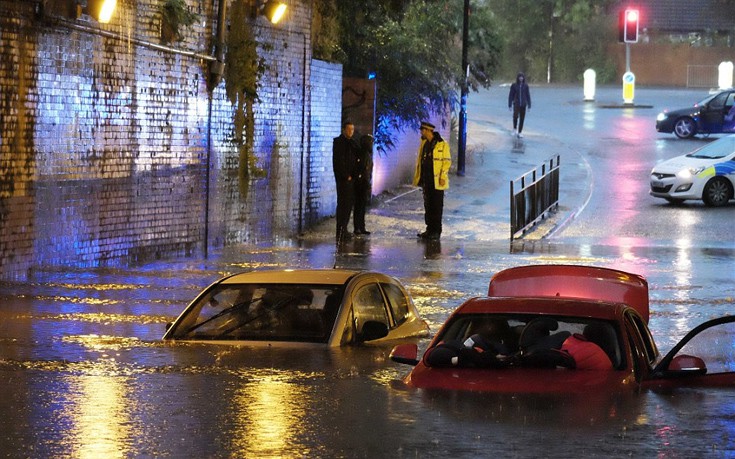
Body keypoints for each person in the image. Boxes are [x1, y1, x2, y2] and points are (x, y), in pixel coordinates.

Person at [413, 121, 450, 241]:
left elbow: (446, 161)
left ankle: (436, 231)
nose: (421, 132)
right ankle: (429, 229)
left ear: (429, 131)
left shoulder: (442, 144)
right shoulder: (424, 144)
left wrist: (443, 176)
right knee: (428, 206)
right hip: (427, 180)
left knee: (436, 206)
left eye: (423, 130)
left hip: (437, 181)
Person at [332, 121, 359, 243]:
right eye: (349, 129)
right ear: (344, 130)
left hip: (350, 179)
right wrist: (345, 175)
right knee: (343, 204)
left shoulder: (352, 143)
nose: (351, 132)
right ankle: (341, 229)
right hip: (343, 179)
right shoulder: (339, 143)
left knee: (348, 205)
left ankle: (344, 228)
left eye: (352, 129)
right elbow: (338, 162)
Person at [353, 134, 374, 236]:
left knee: (362, 206)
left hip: (364, 183)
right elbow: (361, 169)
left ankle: (361, 227)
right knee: (359, 206)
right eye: (370, 142)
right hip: (360, 184)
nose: (371, 144)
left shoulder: (367, 154)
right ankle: (358, 227)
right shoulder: (362, 154)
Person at [508, 72, 531, 138]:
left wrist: (529, 105)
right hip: (516, 104)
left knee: (522, 118)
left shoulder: (526, 86)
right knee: (515, 116)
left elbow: (528, 95)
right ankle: (514, 129)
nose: (521, 78)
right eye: (520, 77)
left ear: (523, 78)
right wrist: (510, 105)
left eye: (522, 77)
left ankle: (520, 132)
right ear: (518, 78)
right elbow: (511, 95)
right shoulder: (514, 85)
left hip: (523, 105)